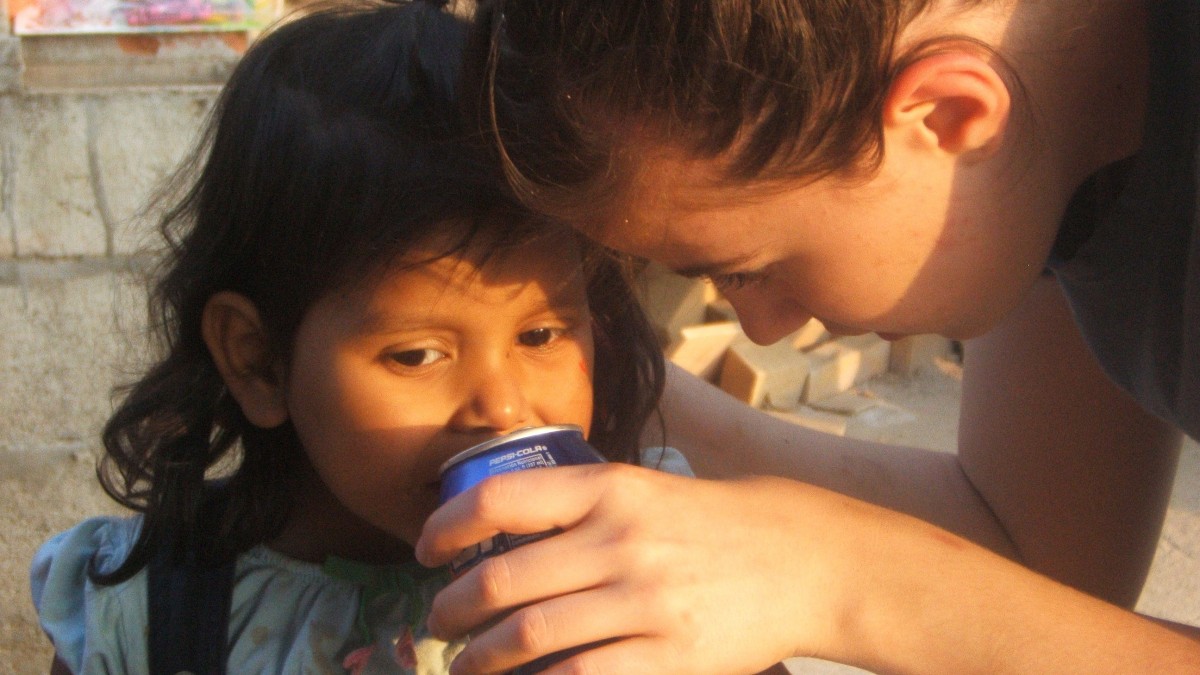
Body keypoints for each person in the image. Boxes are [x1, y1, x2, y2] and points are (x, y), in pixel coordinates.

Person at [414, 0, 1200, 672]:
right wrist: (625, 388)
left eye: (750, 268)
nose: (761, 324)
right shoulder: (1046, 136)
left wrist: (836, 574)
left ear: (948, 116)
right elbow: (1039, 554)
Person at [28, 1, 690, 673]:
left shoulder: (646, 550)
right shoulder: (149, 611)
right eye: (417, 354)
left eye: (541, 333)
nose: (503, 407)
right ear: (258, 361)